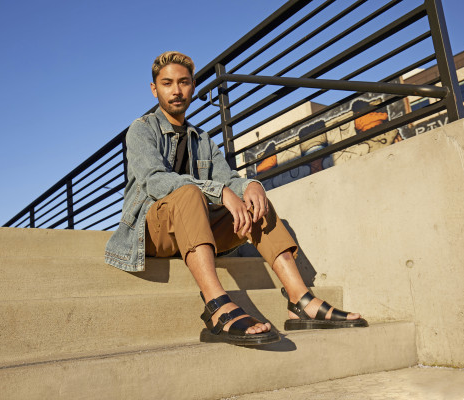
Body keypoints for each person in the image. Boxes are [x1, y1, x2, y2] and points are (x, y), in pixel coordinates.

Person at [104, 51, 367, 346]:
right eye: (167, 83)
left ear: (193, 86)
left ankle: (300, 300)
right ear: (155, 89)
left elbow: (228, 179)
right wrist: (219, 192)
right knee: (189, 191)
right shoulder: (141, 130)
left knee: (255, 202)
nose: (176, 91)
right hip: (152, 232)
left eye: (183, 82)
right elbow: (154, 180)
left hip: (192, 231)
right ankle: (217, 306)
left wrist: (250, 186)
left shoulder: (202, 139)